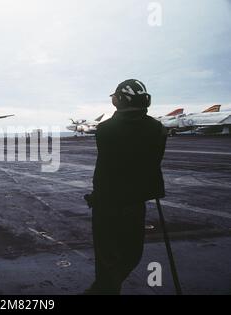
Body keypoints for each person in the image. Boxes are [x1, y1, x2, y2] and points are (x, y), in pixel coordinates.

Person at [84, 79, 167, 295]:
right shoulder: (157, 129)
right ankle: (106, 288)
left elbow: (112, 160)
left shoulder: (105, 130)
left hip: (107, 203)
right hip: (136, 202)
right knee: (132, 253)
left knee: (106, 258)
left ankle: (103, 289)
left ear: (119, 100)